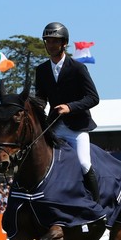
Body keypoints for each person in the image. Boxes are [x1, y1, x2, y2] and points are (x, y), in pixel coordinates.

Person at [35, 21, 101, 202]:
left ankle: (97, 208)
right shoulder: (41, 70)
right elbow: (41, 98)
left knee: (83, 163)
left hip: (76, 127)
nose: (51, 45)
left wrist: (70, 107)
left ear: (64, 43)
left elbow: (93, 98)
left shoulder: (78, 68)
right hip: (54, 126)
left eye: (55, 41)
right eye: (48, 41)